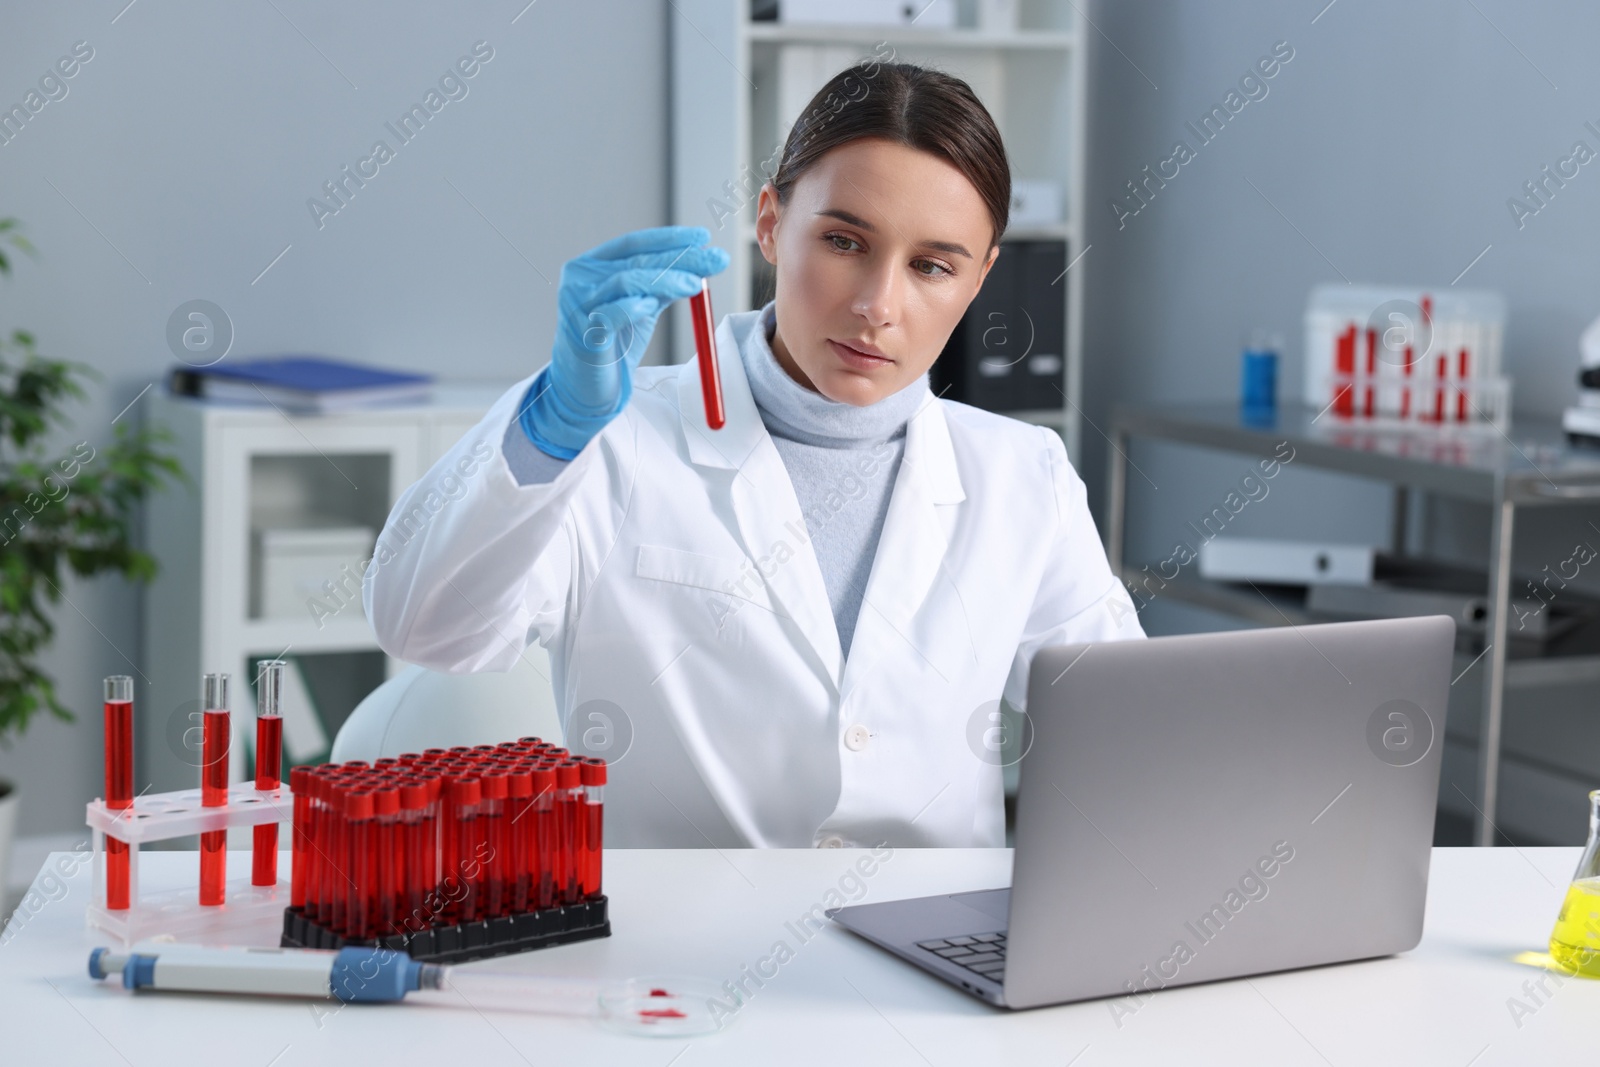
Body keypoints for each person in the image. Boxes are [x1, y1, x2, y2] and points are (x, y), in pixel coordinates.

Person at [365, 62, 1143, 849]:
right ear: (770, 223)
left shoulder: (1022, 476)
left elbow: (1127, 730)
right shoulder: (610, 438)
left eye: (931, 265)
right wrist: (549, 427)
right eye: (844, 241)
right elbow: (424, 626)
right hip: (670, 956)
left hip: (931, 946)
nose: (878, 305)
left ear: (981, 278)